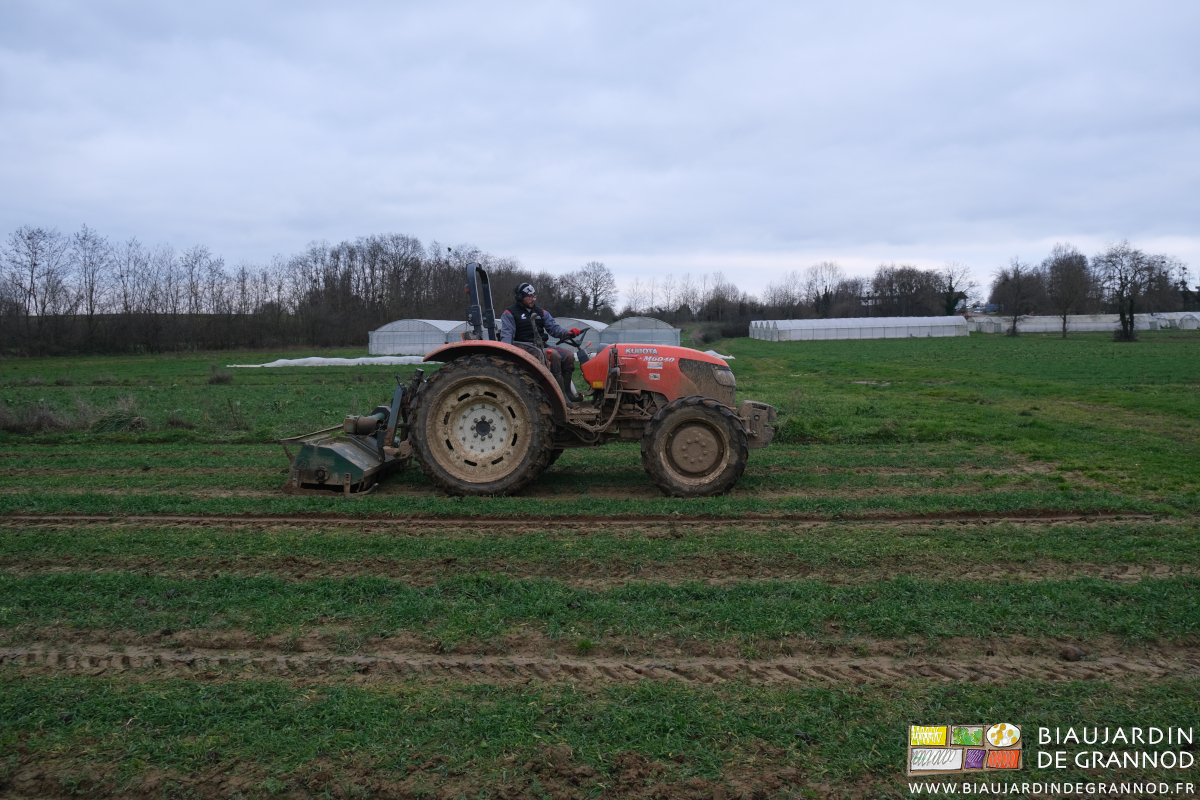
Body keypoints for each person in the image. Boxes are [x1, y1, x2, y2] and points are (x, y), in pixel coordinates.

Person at [500, 282, 583, 403]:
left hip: (540, 346)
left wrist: (568, 333)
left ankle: (567, 392)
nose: (532, 299)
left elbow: (554, 329)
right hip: (523, 348)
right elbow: (507, 336)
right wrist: (507, 352)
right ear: (519, 297)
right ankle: (558, 397)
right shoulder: (510, 313)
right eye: (529, 296)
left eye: (534, 296)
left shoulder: (541, 312)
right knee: (554, 355)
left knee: (568, 355)